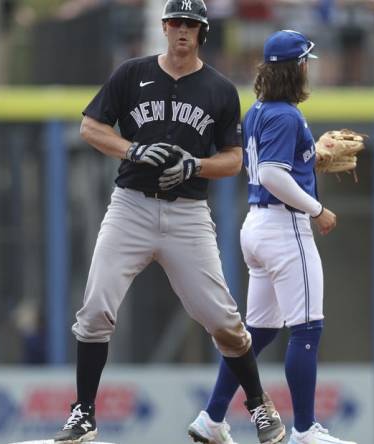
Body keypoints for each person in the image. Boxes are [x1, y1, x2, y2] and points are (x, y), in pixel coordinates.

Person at [54, 1, 285, 443]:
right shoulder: (131, 73)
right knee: (96, 306)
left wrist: (196, 165)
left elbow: (234, 159)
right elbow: (90, 127)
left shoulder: (218, 89)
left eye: (191, 24)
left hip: (187, 214)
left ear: (202, 33)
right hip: (131, 207)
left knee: (223, 320)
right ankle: (83, 414)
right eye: (176, 22)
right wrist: (132, 149)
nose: (182, 30)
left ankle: (258, 405)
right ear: (163, 27)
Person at [188, 30, 357, 444]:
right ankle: (304, 430)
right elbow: (271, 174)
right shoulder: (285, 115)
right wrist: (318, 208)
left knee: (257, 333)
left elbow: (278, 167)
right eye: (305, 63)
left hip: (257, 228)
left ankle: (211, 420)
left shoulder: (261, 110)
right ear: (296, 68)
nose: (307, 70)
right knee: (307, 329)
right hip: (285, 228)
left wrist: (311, 155)